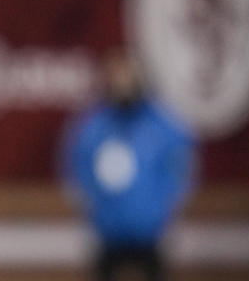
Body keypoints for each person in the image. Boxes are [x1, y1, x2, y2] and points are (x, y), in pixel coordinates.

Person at [60, 48, 195, 281]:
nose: (123, 83)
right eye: (118, 76)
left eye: (129, 76)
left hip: (151, 234)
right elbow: (75, 171)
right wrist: (91, 207)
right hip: (107, 233)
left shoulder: (163, 126)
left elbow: (180, 172)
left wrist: (162, 211)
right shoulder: (92, 128)